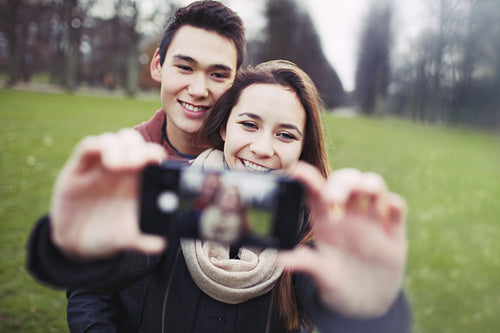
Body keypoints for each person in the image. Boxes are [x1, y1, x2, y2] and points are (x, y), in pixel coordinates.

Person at [27, 60, 411, 332]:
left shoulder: (309, 230)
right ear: (224, 128)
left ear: (301, 149)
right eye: (249, 124)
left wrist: (370, 311)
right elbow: (95, 284)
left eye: (285, 134)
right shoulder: (172, 194)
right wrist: (69, 250)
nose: (262, 148)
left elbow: (338, 304)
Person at [59, 1, 246, 331]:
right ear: (158, 65)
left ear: (236, 82)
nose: (199, 90)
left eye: (218, 74)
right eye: (185, 67)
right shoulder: (119, 167)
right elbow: (88, 288)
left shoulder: (254, 171)